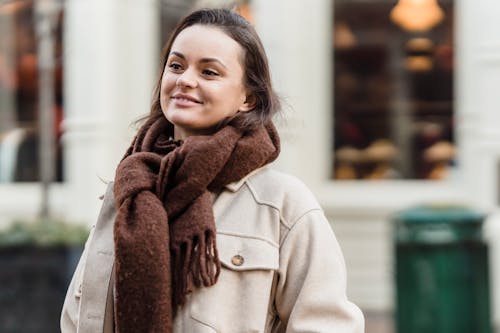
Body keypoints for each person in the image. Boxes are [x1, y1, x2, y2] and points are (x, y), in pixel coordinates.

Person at [61, 8, 364, 333]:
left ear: (247, 98)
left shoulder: (280, 203)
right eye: (176, 66)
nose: (185, 80)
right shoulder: (128, 191)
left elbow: (328, 325)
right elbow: (77, 318)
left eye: (209, 72)